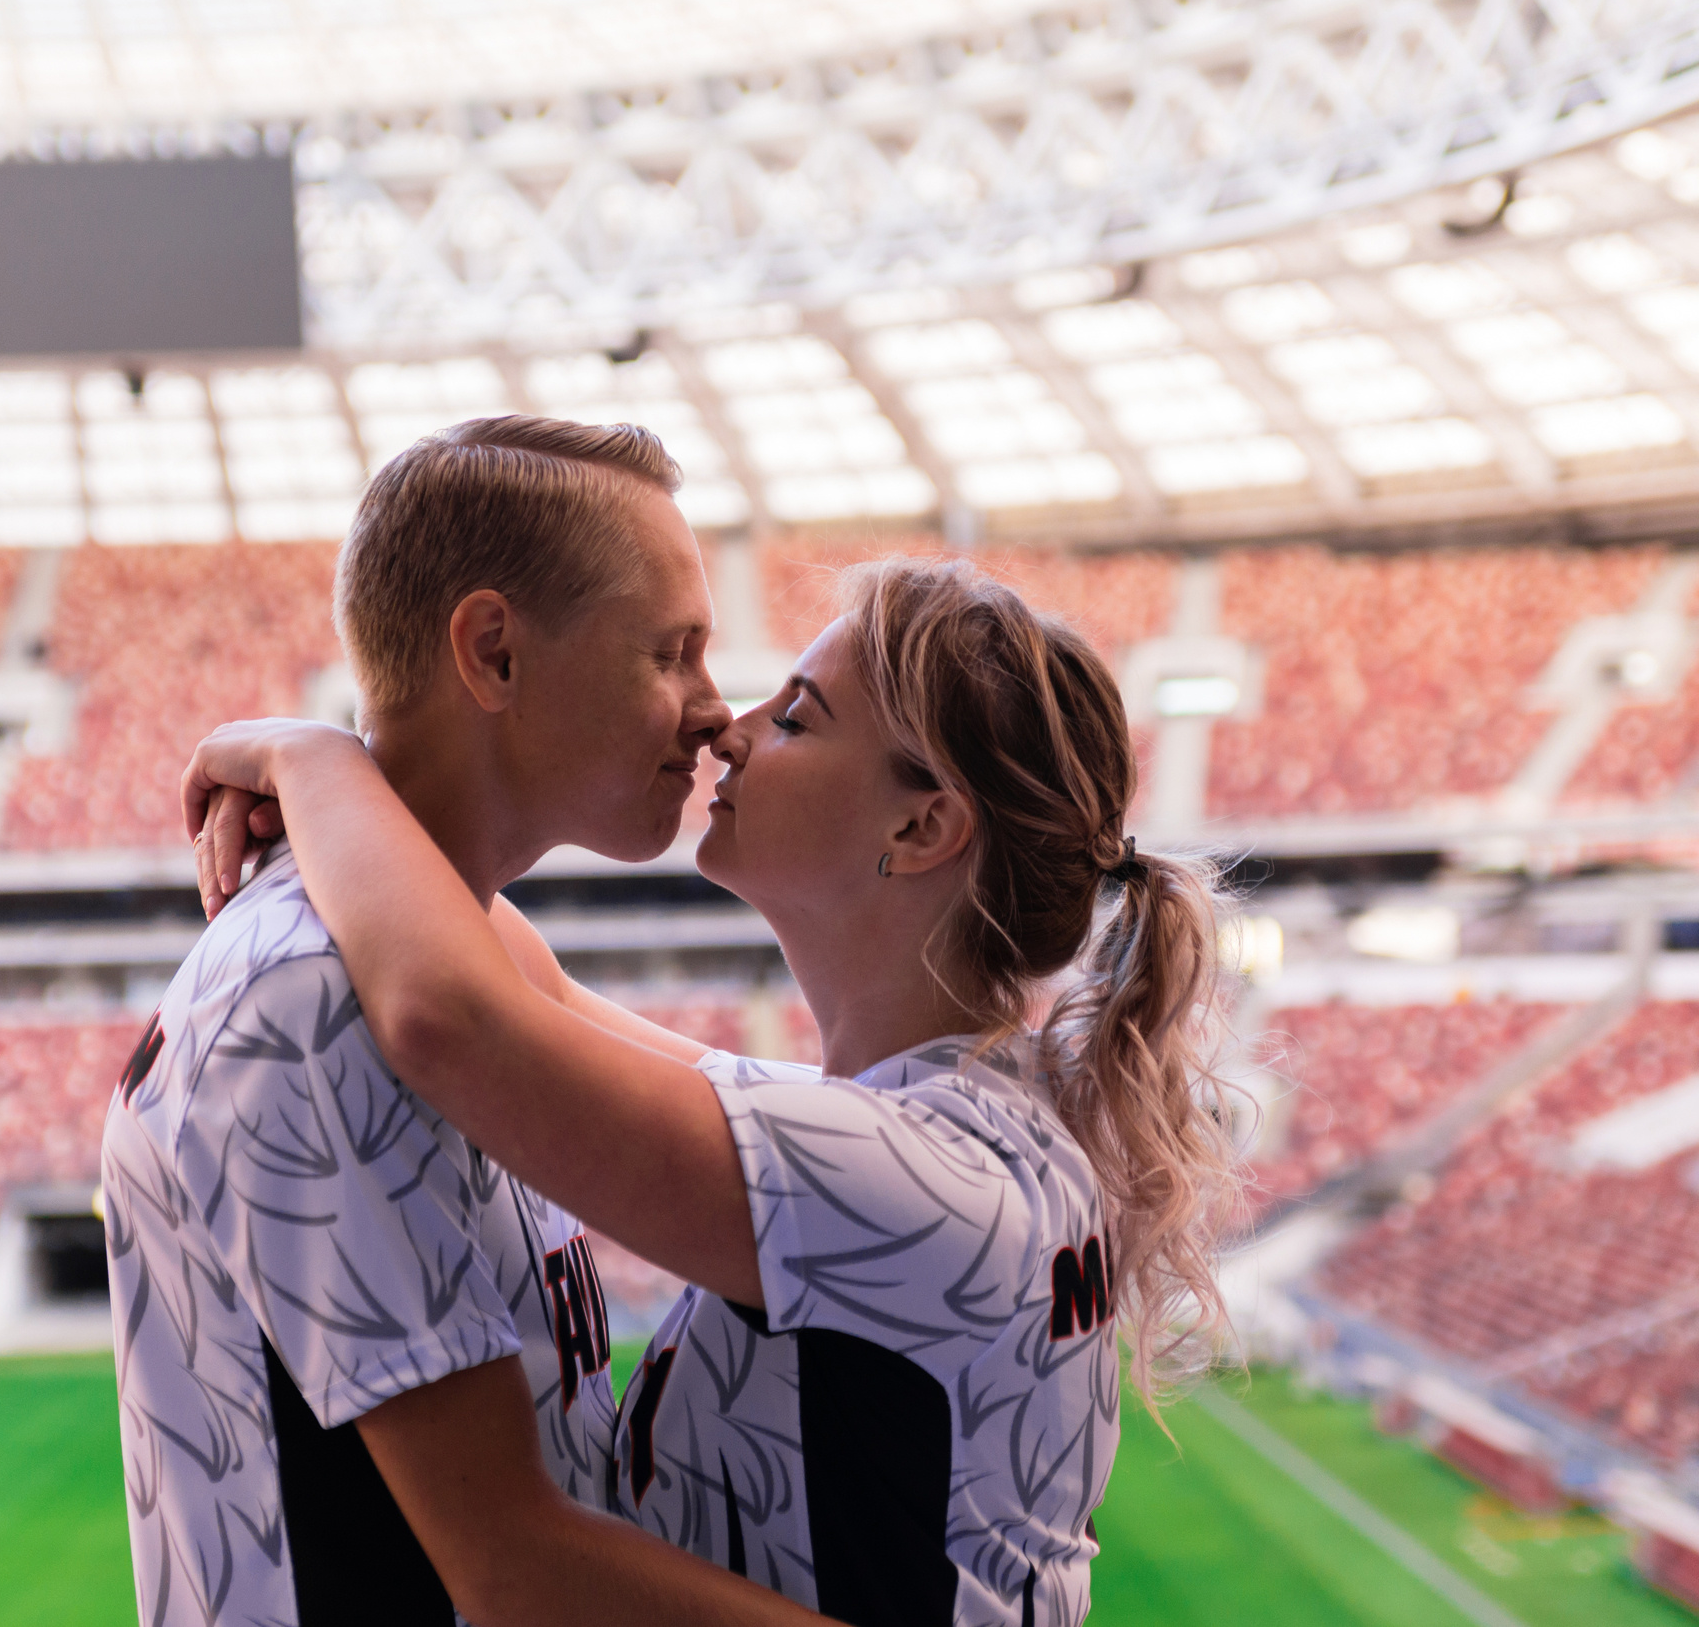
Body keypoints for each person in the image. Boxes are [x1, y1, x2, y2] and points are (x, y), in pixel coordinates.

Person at [185, 555, 1242, 1627]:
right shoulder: (941, 1128)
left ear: (920, 828)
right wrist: (375, 783)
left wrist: (310, 758)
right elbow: (523, 982)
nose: (728, 730)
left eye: (797, 717)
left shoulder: (913, 1177)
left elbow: (447, 1017)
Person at [101, 415, 835, 1627]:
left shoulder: (472, 953)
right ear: (492, 652)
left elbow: (775, 1135)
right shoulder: (308, 1002)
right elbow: (510, 1571)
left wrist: (311, 754)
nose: (715, 711)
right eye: (673, 651)